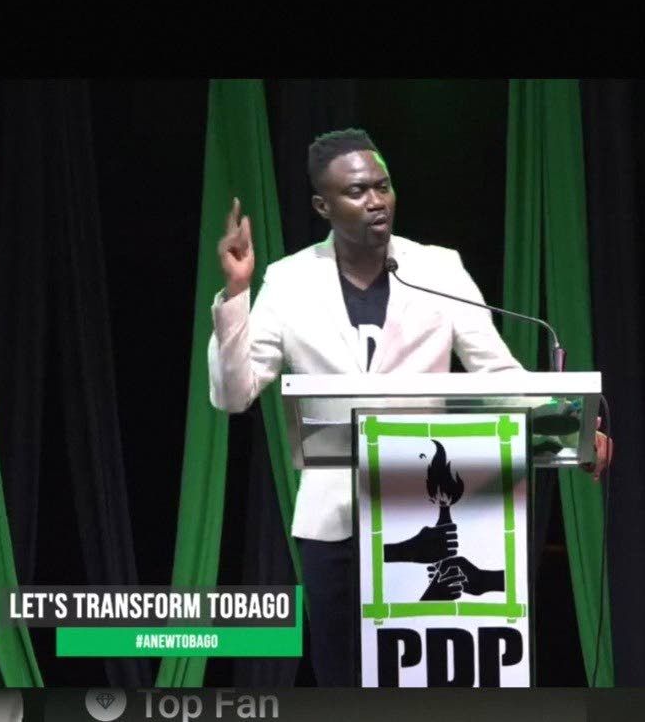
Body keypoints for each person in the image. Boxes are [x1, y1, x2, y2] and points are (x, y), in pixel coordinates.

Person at [208, 128, 610, 686]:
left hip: (426, 511)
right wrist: (236, 294)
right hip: (334, 520)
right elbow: (234, 395)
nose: (376, 200)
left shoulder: (438, 269)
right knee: (343, 681)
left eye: (383, 185)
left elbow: (497, 372)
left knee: (423, 681)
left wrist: (572, 428)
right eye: (356, 192)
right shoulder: (288, 280)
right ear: (323, 206)